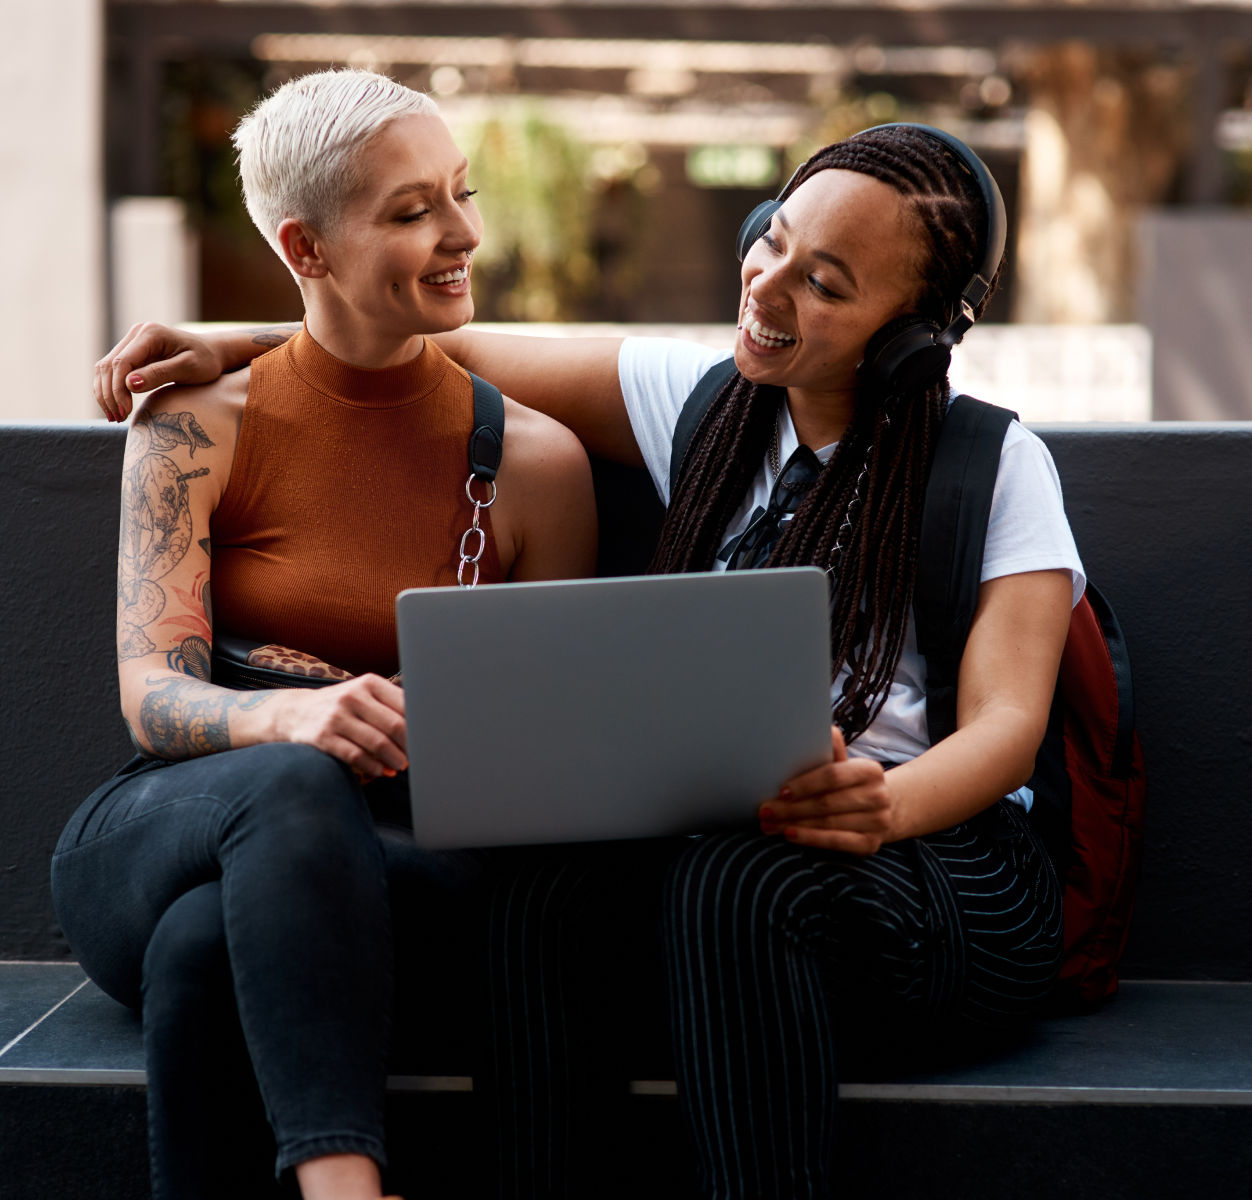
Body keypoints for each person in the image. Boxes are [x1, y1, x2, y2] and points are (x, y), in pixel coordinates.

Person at [98, 124, 1082, 1199]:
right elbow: (442, 344)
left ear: (911, 338)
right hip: (745, 845)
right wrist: (229, 341)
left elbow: (1006, 727)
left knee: (730, 885)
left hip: (941, 874)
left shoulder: (995, 465)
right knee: (542, 894)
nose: (771, 286)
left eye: (827, 285)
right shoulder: (709, 401)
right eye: (775, 242)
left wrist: (883, 807)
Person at [54, 69, 595, 1200]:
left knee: (205, 952)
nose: (463, 233)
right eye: (411, 212)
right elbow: (152, 692)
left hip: (397, 878)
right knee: (289, 783)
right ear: (306, 248)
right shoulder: (195, 425)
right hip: (166, 832)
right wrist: (294, 715)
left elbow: (550, 761)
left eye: (461, 192)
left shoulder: (537, 463)